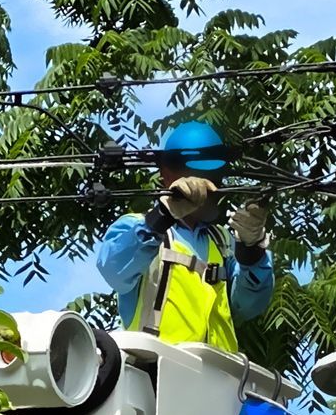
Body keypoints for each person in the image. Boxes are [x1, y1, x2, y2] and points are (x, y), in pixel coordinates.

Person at [96, 121, 274, 352]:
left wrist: (251, 250)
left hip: (218, 374)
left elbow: (247, 308)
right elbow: (114, 271)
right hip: (156, 370)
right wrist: (162, 215)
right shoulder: (140, 228)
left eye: (214, 177)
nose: (208, 187)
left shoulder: (222, 242)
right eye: (198, 176)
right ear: (167, 175)